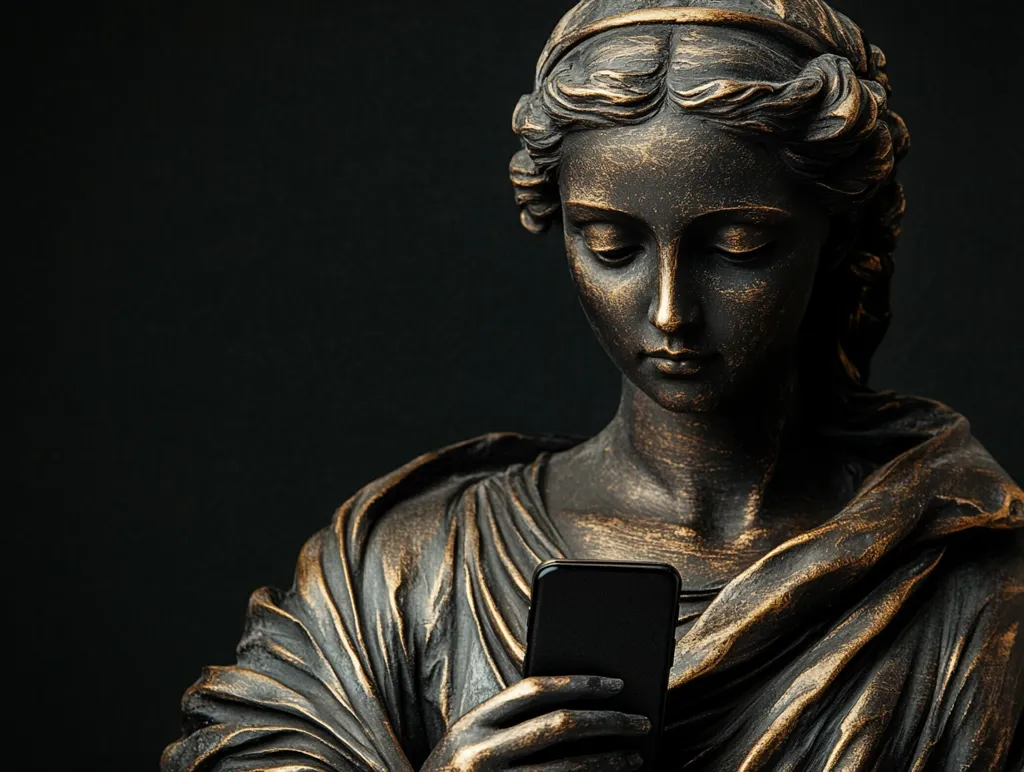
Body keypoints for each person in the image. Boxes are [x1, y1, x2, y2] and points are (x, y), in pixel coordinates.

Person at [162, 1, 1024, 769]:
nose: (669, 311)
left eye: (738, 248)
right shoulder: (400, 571)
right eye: (611, 245)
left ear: (836, 239)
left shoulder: (968, 591)